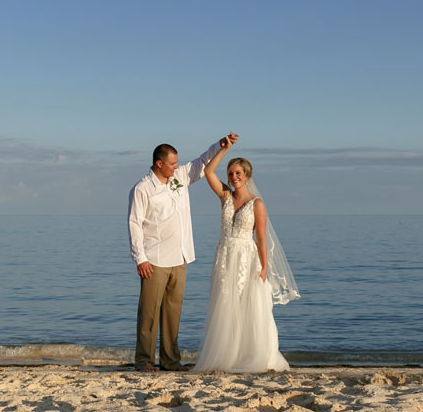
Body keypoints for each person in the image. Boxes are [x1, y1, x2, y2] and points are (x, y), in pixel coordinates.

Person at [128, 132, 237, 372]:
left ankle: (170, 360)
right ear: (159, 164)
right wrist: (140, 258)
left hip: (180, 256)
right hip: (154, 259)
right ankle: (144, 361)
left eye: (177, 163)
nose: (176, 166)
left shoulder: (179, 177)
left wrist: (219, 146)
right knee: (149, 315)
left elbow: (200, 163)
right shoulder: (142, 189)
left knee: (172, 313)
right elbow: (134, 224)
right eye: (172, 163)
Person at [193, 142, 299, 373]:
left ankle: (251, 356)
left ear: (247, 175)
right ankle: (226, 357)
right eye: (230, 174)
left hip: (245, 259)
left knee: (246, 307)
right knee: (224, 305)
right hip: (224, 256)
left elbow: (261, 239)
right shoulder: (225, 196)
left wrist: (264, 267)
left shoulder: (256, 204)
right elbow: (208, 171)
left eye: (238, 173)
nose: (233, 177)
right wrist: (224, 149)